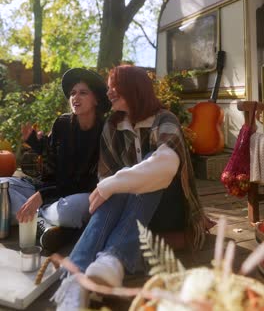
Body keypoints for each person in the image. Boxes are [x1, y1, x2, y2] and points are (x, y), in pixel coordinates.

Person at [54, 65, 210, 310]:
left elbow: (166, 166)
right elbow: (106, 181)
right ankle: (76, 277)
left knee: (147, 165)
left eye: (114, 87)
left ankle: (112, 261)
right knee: (114, 185)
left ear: (134, 88)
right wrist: (110, 185)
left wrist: (112, 184)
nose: (109, 93)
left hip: (170, 211)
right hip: (132, 216)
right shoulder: (112, 128)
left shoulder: (164, 120)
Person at [0, 68, 110, 252]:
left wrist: (42, 196)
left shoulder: (106, 132)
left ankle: (36, 219)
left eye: (83, 92)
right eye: (72, 93)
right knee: (2, 186)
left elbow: (86, 183)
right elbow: (51, 155)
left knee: (74, 210)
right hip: (49, 193)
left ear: (96, 99)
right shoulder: (63, 123)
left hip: (75, 196)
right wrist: (34, 141)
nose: (75, 97)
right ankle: (44, 224)